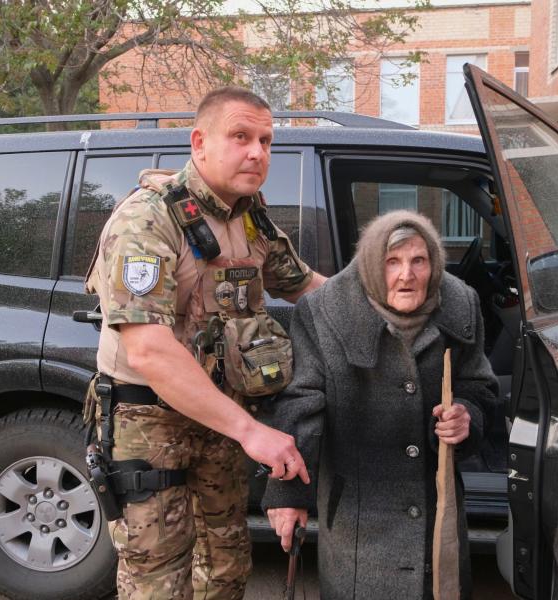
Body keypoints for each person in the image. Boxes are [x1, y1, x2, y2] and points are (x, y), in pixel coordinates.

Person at [84, 86, 326, 600]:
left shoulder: (248, 216)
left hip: (218, 421)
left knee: (225, 567)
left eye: (265, 140)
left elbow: (307, 286)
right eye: (240, 136)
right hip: (148, 424)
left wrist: (391, 297)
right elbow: (148, 348)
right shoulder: (147, 219)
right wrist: (251, 431)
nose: (257, 152)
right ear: (199, 142)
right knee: (159, 582)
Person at [262, 210, 498, 600]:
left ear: (433, 262)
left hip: (436, 507)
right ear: (372, 263)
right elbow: (301, 406)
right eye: (392, 262)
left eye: (418, 260)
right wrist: (288, 495)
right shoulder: (323, 311)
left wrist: (466, 415)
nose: (407, 275)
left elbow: (480, 385)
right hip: (357, 514)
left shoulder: (461, 303)